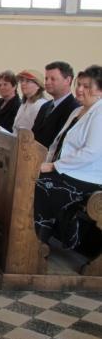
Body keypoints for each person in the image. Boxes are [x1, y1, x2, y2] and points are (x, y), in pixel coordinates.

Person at [34, 65, 102, 253]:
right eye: (79, 84)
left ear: (100, 90)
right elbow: (58, 143)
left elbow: (91, 152)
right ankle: (29, 238)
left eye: (87, 86)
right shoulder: (77, 111)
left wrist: (54, 166)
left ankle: (37, 243)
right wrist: (44, 162)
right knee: (30, 178)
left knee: (41, 185)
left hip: (88, 178)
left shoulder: (100, 112)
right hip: (68, 171)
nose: (80, 89)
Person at [32, 61, 80, 148]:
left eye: (53, 79)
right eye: (46, 79)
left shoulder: (74, 109)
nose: (47, 82)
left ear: (67, 80)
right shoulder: (45, 106)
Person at [12, 69, 48, 133]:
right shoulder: (24, 103)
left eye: (28, 81)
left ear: (38, 86)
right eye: (22, 81)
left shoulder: (41, 105)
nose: (23, 84)